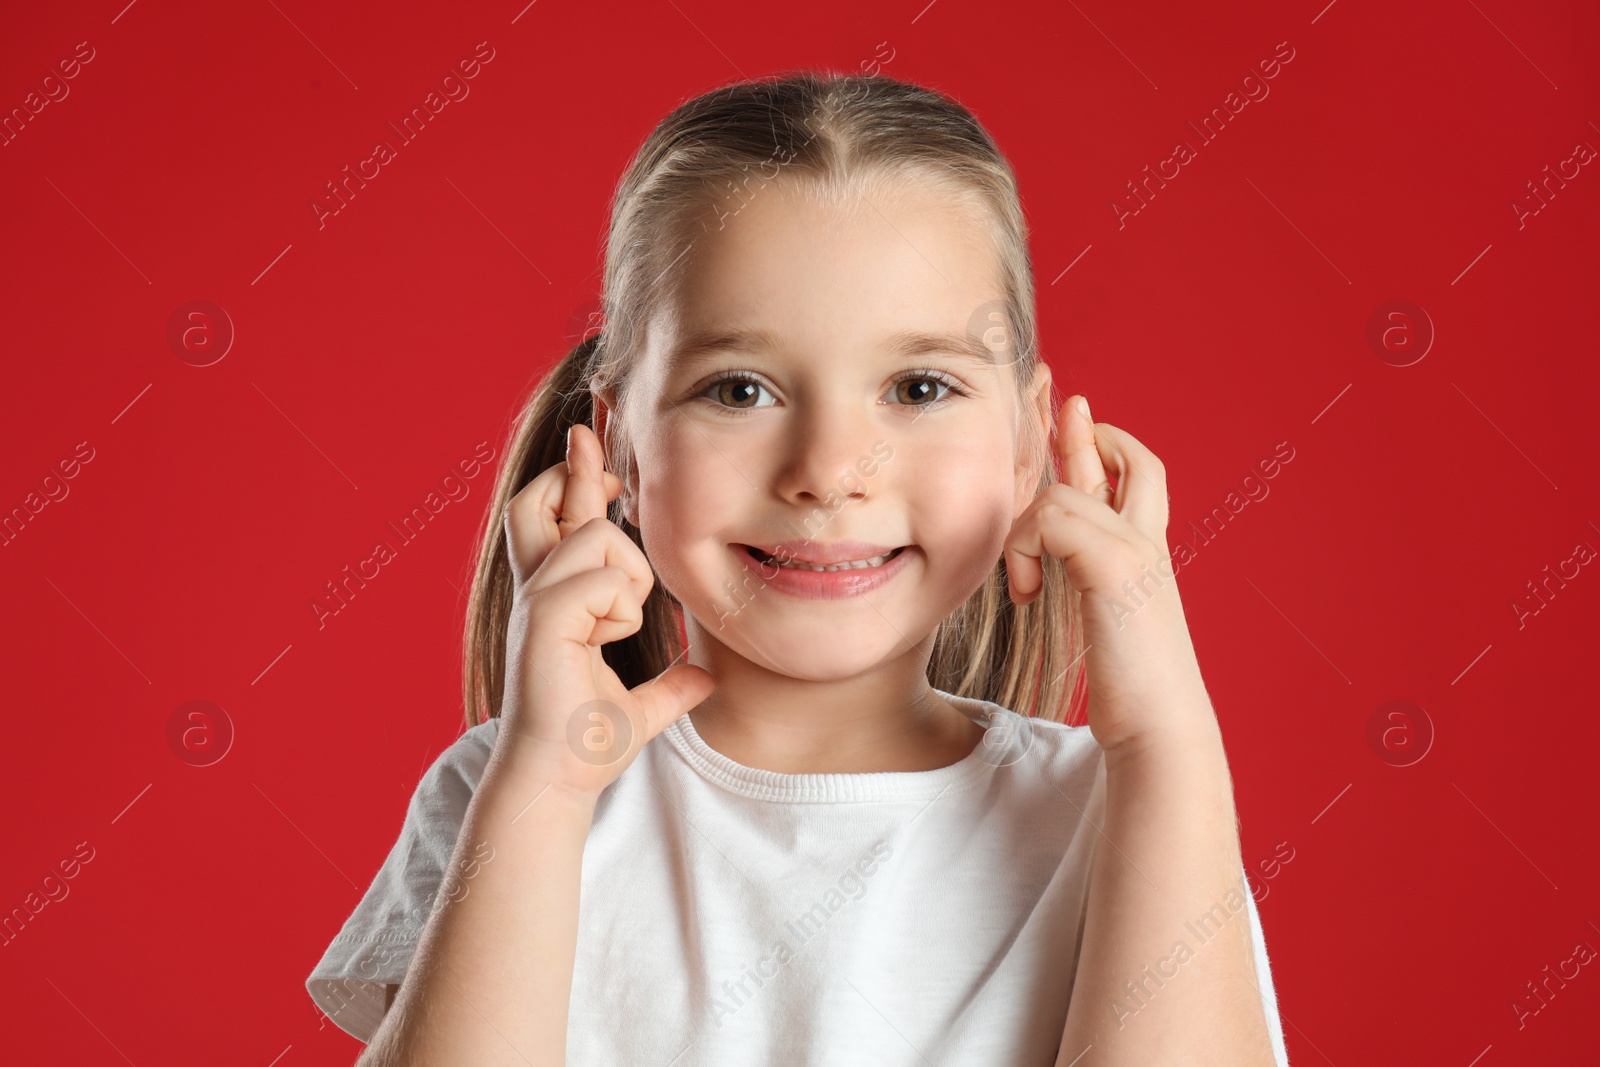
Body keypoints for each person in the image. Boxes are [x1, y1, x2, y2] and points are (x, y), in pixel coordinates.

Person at [305, 69, 1291, 1066]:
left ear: (1027, 445)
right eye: (738, 388)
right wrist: (543, 791)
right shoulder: (505, 791)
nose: (828, 471)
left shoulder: (1126, 811)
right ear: (620, 446)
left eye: (917, 384)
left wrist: (1166, 743)